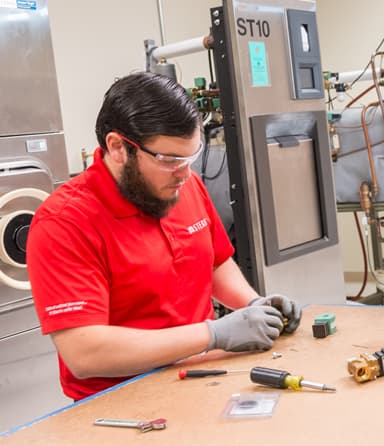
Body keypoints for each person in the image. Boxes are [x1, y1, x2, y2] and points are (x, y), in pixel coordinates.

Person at [27, 72, 302, 401]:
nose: (185, 173)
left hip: (202, 377)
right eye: (170, 159)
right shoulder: (65, 223)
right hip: (120, 400)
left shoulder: (182, 186)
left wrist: (253, 305)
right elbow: (85, 353)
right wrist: (213, 333)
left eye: (191, 157)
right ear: (118, 147)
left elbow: (213, 262)